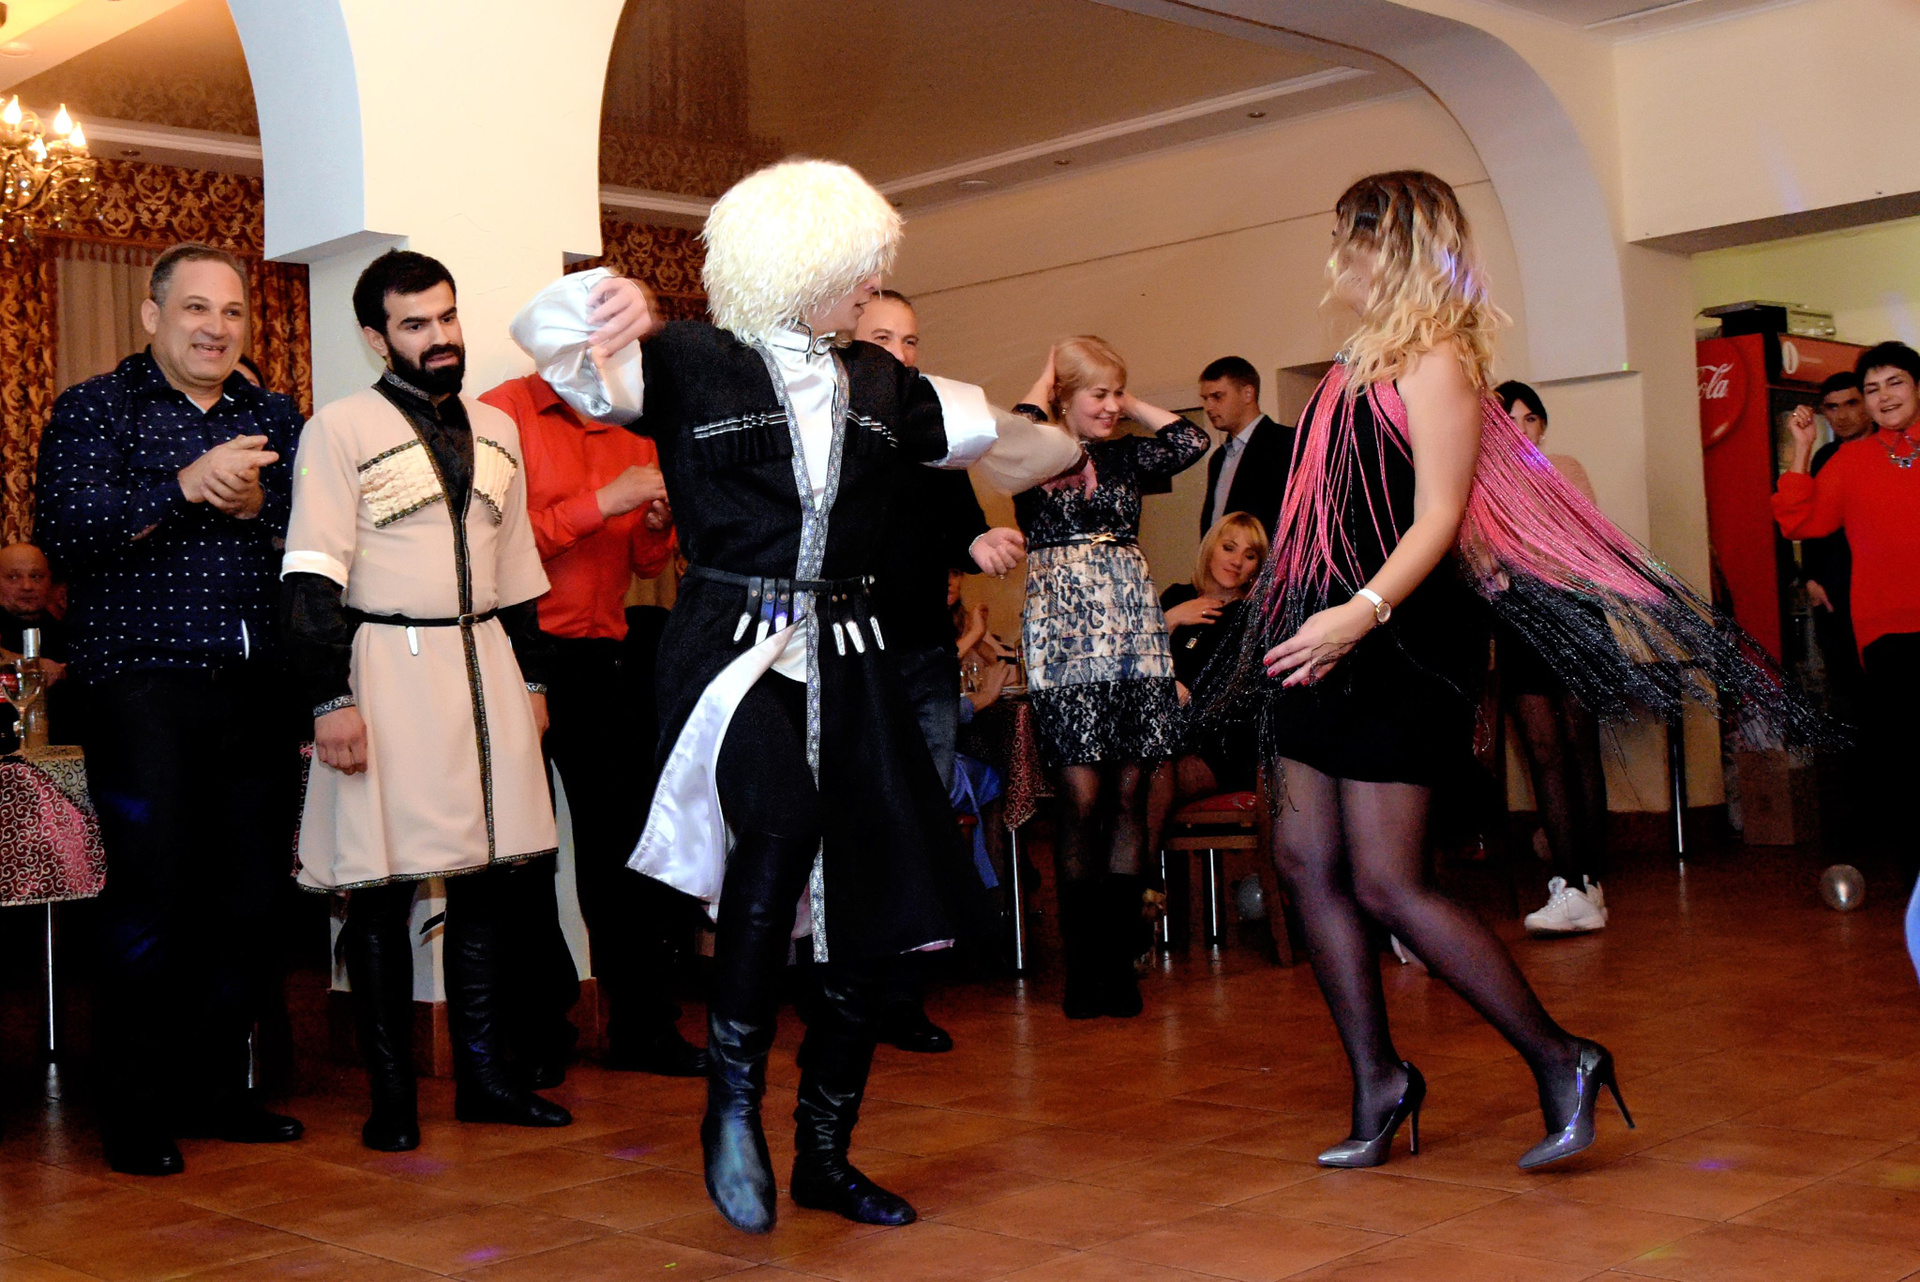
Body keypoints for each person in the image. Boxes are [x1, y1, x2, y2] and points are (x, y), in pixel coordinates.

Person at [510, 159, 1078, 1235]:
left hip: (854, 653)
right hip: (731, 646)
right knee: (779, 823)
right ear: (803, 264)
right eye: (859, 272)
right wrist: (601, 301)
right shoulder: (689, 361)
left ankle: (824, 1149)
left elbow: (1029, 450)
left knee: (866, 894)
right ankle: (732, 1099)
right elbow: (556, 347)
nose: (871, 292)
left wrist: (1054, 423)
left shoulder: (885, 386)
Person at [279, 250, 651, 1151]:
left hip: (487, 663)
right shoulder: (337, 429)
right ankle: (392, 1100)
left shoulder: (496, 428)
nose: (439, 336)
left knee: (492, 879)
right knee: (381, 891)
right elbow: (310, 573)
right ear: (376, 338)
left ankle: (486, 1081)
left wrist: (533, 681)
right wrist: (329, 699)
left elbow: (519, 574)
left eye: (446, 317)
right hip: (385, 665)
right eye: (415, 324)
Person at [36, 241, 305, 1177]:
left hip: (255, 689)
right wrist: (187, 487)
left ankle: (218, 1091)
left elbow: (317, 541)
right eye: (196, 309)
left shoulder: (274, 415)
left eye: (231, 312)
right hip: (140, 687)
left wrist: (260, 510)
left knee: (250, 899)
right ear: (152, 315)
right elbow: (67, 532)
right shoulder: (96, 408)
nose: (215, 329)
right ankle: (136, 1109)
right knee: (152, 896)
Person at [478, 358, 709, 1082]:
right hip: (515, 656)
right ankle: (537, 1035)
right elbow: (487, 544)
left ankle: (643, 1029)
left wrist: (657, 526)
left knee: (625, 853)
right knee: (524, 856)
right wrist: (603, 501)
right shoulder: (502, 412)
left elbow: (645, 563)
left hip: (604, 656)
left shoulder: (633, 427)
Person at [1013, 336, 1209, 1019]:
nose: (1110, 406)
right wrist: (1050, 373)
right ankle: (1083, 967)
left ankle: (1120, 965)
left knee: (1129, 791)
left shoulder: (1125, 456)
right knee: (1080, 795)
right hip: (1063, 632)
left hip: (1133, 629)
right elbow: (1018, 425)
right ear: (1064, 397)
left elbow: (1189, 441)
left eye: (1115, 393)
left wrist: (1124, 400)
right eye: (1096, 394)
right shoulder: (1035, 454)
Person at [856, 287, 1026, 1054]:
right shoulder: (828, 421)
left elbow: (961, 530)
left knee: (919, 818)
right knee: (856, 821)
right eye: (883, 338)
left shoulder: (937, 424)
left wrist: (981, 546)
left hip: (924, 652)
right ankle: (846, 991)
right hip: (849, 653)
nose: (900, 353)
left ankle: (901, 996)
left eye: (911, 340)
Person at [1775, 342, 1920, 872]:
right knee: (1905, 756)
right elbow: (1798, 521)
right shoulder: (1851, 460)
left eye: (1895, 383)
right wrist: (1802, 448)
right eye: (1873, 389)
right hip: (1886, 629)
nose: (1884, 397)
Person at [1494, 380, 1610, 936]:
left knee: (1580, 746)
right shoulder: (1478, 484)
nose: (1520, 430)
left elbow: (1578, 545)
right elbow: (1479, 561)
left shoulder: (1565, 468)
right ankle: (1571, 882)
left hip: (1574, 614)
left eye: (1529, 418)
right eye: (1507, 421)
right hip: (1519, 623)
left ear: (1541, 425)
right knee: (1543, 752)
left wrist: (1512, 556)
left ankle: (1587, 881)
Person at [1799, 371, 1875, 720]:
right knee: (1845, 684)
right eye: (1832, 407)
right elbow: (1811, 522)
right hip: (1835, 587)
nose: (1842, 415)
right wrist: (1811, 578)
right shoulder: (1825, 456)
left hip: (1881, 583)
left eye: (1851, 403)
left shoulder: (1893, 450)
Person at [1197, 356, 1295, 535]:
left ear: (1247, 394)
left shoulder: (1286, 443)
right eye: (1205, 398)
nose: (1208, 407)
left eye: (1217, 397)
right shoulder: (1218, 458)